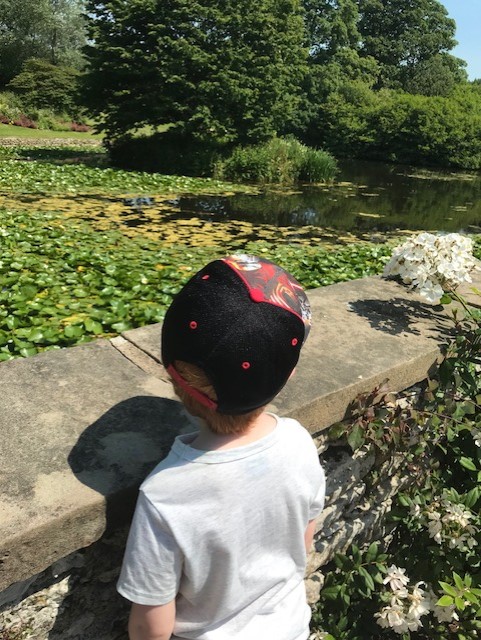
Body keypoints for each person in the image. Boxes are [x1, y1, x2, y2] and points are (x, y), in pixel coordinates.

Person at [117, 254, 326, 640]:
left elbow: (151, 622)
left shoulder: (165, 495)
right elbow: (303, 541)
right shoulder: (298, 441)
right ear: (288, 374)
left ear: (172, 374)